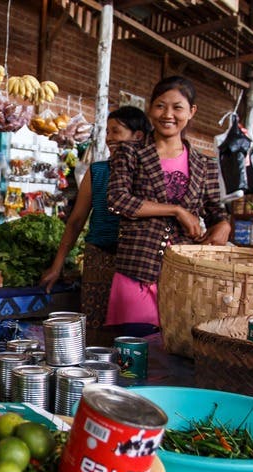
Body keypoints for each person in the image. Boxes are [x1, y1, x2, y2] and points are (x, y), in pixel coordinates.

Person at [106, 76, 230, 328]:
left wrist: (223, 226)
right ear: (150, 109)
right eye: (161, 105)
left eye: (178, 107)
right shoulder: (130, 152)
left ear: (191, 112)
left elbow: (217, 211)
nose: (168, 114)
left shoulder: (204, 164)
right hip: (137, 269)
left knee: (175, 352)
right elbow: (118, 200)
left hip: (182, 274)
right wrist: (177, 210)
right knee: (134, 352)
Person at [40, 106, 153, 334]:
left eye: (116, 132)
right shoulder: (98, 171)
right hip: (99, 258)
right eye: (107, 133)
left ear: (138, 136)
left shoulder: (151, 173)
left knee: (135, 331)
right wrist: (57, 265)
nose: (109, 139)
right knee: (96, 329)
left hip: (139, 262)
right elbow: (76, 221)